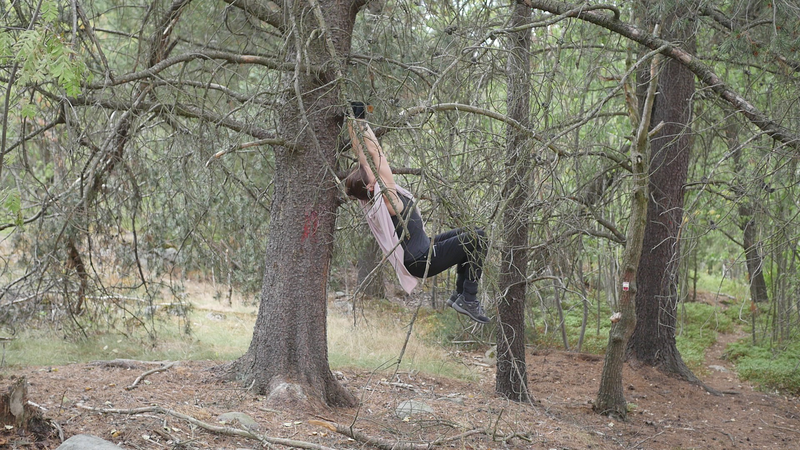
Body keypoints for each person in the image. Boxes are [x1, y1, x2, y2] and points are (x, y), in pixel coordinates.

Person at [344, 102, 489, 324]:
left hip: (422, 249)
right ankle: (468, 297)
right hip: (422, 259)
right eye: (370, 173)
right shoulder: (387, 198)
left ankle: (460, 295)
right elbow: (376, 153)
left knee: (472, 233)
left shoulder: (369, 198)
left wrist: (355, 120)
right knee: (478, 238)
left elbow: (362, 154)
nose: (372, 169)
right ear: (370, 186)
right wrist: (361, 122)